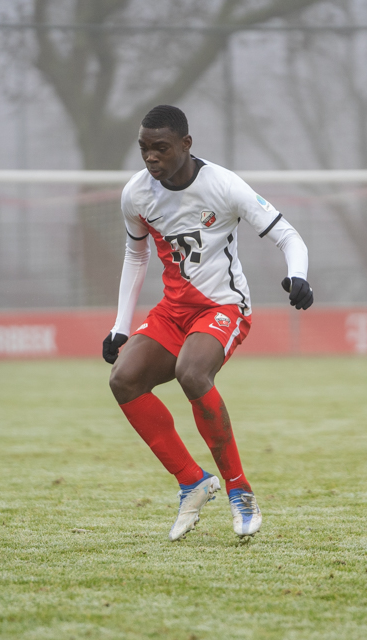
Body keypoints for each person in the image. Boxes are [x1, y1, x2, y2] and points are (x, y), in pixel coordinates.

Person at [103, 105, 312, 541]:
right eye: (144, 148)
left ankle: (240, 490)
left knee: (191, 373)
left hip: (224, 306)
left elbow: (288, 235)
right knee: (123, 380)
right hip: (173, 311)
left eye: (160, 148)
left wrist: (299, 275)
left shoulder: (224, 185)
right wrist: (121, 326)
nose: (150, 158)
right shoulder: (136, 194)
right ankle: (191, 481)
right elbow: (136, 254)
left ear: (186, 144)